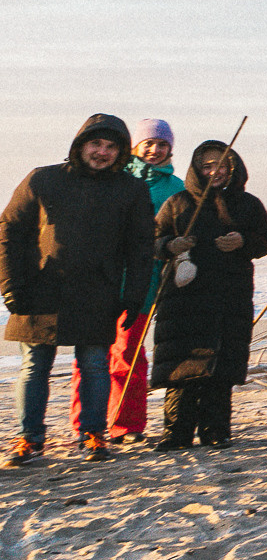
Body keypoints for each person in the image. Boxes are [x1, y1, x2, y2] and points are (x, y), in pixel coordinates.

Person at [2, 113, 155, 464]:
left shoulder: (131, 190)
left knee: (95, 365)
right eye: (95, 144)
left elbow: (140, 247)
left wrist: (133, 295)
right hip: (41, 290)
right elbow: (8, 230)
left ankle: (93, 433)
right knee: (34, 366)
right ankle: (29, 438)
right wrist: (10, 285)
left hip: (97, 291)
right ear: (80, 144)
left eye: (110, 146)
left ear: (121, 152)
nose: (102, 152)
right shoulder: (43, 179)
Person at [149, 140, 267, 450]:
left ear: (233, 167)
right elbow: (151, 239)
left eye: (221, 165)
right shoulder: (178, 202)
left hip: (229, 295)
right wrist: (169, 246)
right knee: (182, 365)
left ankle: (216, 431)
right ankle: (176, 433)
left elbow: (266, 241)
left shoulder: (248, 204)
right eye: (207, 166)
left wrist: (243, 241)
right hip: (184, 297)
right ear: (196, 169)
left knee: (220, 366)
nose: (214, 171)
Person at [82, 117, 184, 442]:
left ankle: (126, 423)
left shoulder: (175, 188)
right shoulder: (112, 178)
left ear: (170, 149)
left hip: (144, 281)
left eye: (162, 144)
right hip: (100, 280)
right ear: (135, 146)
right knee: (90, 353)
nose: (154, 150)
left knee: (128, 353)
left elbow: (179, 232)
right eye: (148, 143)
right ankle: (84, 423)